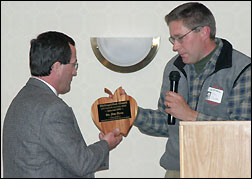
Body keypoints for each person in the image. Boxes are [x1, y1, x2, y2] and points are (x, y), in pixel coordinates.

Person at [133, 2, 251, 178]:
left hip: (225, 169)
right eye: (173, 39)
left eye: (180, 37)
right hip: (176, 171)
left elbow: (242, 134)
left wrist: (190, 116)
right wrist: (132, 112)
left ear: (203, 32)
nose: (175, 46)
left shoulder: (241, 69)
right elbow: (167, 124)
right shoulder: (173, 68)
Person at [3, 31, 123, 178]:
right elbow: (81, 163)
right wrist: (106, 144)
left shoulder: (21, 100)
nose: (74, 72)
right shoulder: (52, 109)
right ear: (57, 66)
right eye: (73, 65)